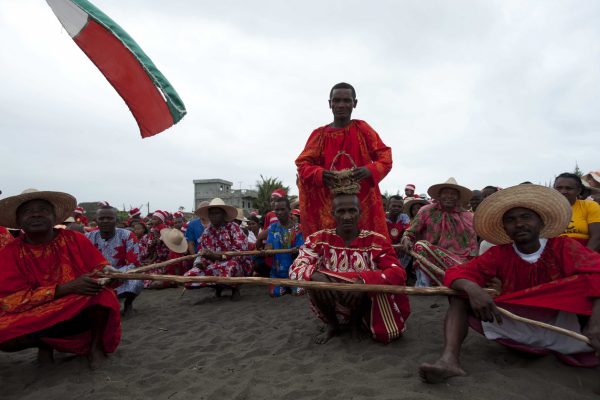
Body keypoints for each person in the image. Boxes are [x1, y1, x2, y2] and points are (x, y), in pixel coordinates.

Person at [419, 184, 600, 383]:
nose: (519, 224)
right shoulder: (499, 254)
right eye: (511, 220)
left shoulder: (564, 247)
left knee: (588, 283)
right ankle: (449, 360)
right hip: (518, 325)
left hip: (566, 327)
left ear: (540, 222)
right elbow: (457, 272)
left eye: (526, 217)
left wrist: (595, 322)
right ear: (505, 228)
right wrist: (473, 289)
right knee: (458, 295)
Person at [0, 189, 121, 368]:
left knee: (103, 295)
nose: (35, 215)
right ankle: (45, 344)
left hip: (76, 302)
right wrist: (66, 288)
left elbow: (98, 266)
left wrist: (108, 271)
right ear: (18, 221)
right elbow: (11, 301)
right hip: (37, 309)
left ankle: (95, 347)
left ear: (54, 216)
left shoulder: (75, 239)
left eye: (43, 209)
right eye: (27, 211)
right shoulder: (9, 253)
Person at [290, 193, 410, 344]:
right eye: (341, 211)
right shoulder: (318, 239)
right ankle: (332, 325)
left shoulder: (377, 240)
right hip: (330, 295)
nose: (347, 216)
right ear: (333, 214)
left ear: (360, 212)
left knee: (370, 281)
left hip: (363, 300)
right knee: (314, 282)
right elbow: (296, 268)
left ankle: (356, 323)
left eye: (352, 210)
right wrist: (315, 276)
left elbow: (398, 272)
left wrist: (364, 282)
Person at [295, 82, 392, 239]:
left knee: (367, 245)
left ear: (354, 103)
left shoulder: (362, 129)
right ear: (330, 103)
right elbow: (303, 164)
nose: (341, 105)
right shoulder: (319, 135)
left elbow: (385, 156)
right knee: (329, 246)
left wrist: (369, 170)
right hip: (329, 205)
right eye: (337, 100)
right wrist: (320, 174)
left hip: (362, 202)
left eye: (346, 101)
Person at [400, 178, 477, 287]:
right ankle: (424, 287)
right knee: (420, 246)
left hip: (460, 260)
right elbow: (411, 231)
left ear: (458, 197)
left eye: (453, 194)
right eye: (446, 193)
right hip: (432, 257)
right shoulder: (426, 210)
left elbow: (473, 244)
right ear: (439, 195)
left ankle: (457, 278)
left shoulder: (467, 216)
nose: (449, 196)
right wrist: (406, 238)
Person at [184, 198, 252, 300]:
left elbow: (239, 253)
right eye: (211, 213)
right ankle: (218, 287)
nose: (213, 216)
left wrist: (217, 256)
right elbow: (204, 253)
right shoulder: (207, 232)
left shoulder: (234, 228)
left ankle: (235, 288)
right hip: (213, 266)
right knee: (188, 277)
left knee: (230, 266)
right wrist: (202, 263)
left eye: (217, 213)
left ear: (224, 215)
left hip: (235, 263)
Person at [86, 205, 143, 317]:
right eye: (101, 218)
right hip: (98, 276)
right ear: (96, 220)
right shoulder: (88, 237)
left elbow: (134, 262)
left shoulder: (127, 236)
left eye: (109, 218)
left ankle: (128, 304)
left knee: (137, 279)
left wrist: (116, 274)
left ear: (116, 220)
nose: (105, 221)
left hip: (122, 275)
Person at [265, 197, 304, 297]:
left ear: (289, 210)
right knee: (274, 293)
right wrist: (267, 250)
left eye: (282, 209)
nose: (279, 212)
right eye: (277, 210)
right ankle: (285, 286)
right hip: (277, 272)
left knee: (298, 292)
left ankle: (292, 285)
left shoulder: (298, 228)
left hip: (294, 271)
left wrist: (296, 250)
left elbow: (301, 249)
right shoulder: (272, 228)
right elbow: (269, 245)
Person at [554, 172, 600, 252]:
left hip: (586, 253)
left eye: (569, 188)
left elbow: (597, 237)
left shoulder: (590, 206)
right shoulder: (546, 210)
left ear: (579, 190)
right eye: (559, 188)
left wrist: (584, 258)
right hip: (554, 254)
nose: (563, 191)